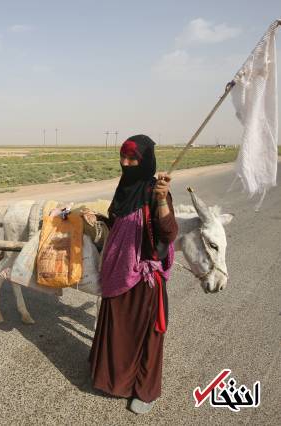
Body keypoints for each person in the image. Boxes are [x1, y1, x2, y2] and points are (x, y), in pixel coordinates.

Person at [88, 135, 178, 414]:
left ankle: (144, 391)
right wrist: (99, 221)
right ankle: (112, 379)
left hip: (143, 278)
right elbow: (118, 222)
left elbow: (169, 233)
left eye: (132, 158)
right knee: (117, 329)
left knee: (145, 335)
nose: (125, 163)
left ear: (145, 160)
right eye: (123, 157)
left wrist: (162, 201)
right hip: (118, 272)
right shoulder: (125, 186)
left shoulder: (155, 190)